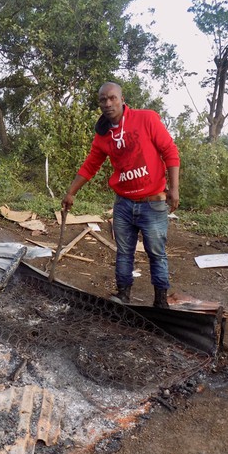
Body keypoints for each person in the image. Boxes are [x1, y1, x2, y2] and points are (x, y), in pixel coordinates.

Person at [61, 82, 180, 308]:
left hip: (152, 203)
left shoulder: (147, 119)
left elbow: (170, 151)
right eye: (103, 100)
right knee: (124, 252)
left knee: (156, 253)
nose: (107, 103)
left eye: (112, 98)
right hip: (124, 204)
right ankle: (123, 296)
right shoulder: (103, 135)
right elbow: (90, 166)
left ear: (122, 99)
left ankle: (161, 302)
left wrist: (174, 189)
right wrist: (70, 193)